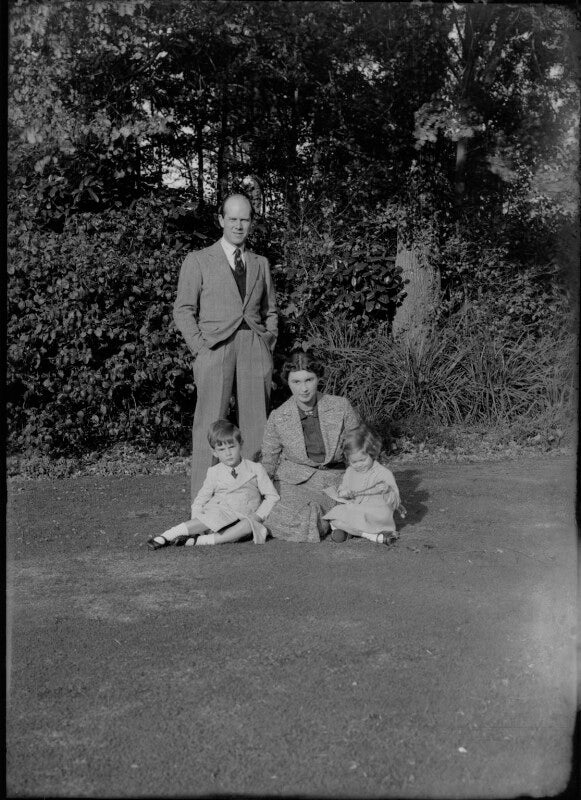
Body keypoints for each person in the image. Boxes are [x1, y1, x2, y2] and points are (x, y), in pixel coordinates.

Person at [173, 193, 278, 506]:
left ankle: (256, 504)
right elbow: (183, 309)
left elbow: (270, 310)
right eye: (232, 219)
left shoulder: (260, 263)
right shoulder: (198, 260)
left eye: (244, 219)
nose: (238, 225)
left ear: (251, 222)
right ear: (220, 220)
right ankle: (202, 507)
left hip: (254, 347)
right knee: (210, 425)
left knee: (257, 426)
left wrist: (267, 341)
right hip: (214, 348)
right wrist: (200, 348)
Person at [260, 351, 359, 542]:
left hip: (334, 480)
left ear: (318, 378)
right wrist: (259, 492)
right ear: (287, 382)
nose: (303, 389)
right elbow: (269, 460)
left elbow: (357, 448)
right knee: (287, 515)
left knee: (311, 516)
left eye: (309, 380)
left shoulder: (340, 406)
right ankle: (337, 521)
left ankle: (337, 519)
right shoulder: (278, 416)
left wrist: (355, 481)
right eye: (296, 382)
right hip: (294, 482)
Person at [148, 420, 279, 549]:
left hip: (245, 517)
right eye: (221, 449)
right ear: (215, 452)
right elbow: (201, 500)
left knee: (248, 525)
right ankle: (168, 535)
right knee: (211, 517)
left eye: (232, 447)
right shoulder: (214, 472)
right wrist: (197, 521)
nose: (228, 453)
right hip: (221, 514)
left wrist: (259, 515)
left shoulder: (255, 468)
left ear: (241, 444)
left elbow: (272, 496)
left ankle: (201, 541)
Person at [322, 424, 404, 545]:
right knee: (334, 520)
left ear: (372, 453)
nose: (359, 464)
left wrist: (387, 491)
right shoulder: (350, 471)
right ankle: (366, 534)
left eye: (362, 460)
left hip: (376, 513)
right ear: (348, 459)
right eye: (354, 461)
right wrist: (344, 493)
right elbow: (344, 489)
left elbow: (395, 501)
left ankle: (365, 534)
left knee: (340, 522)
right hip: (357, 511)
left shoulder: (383, 473)